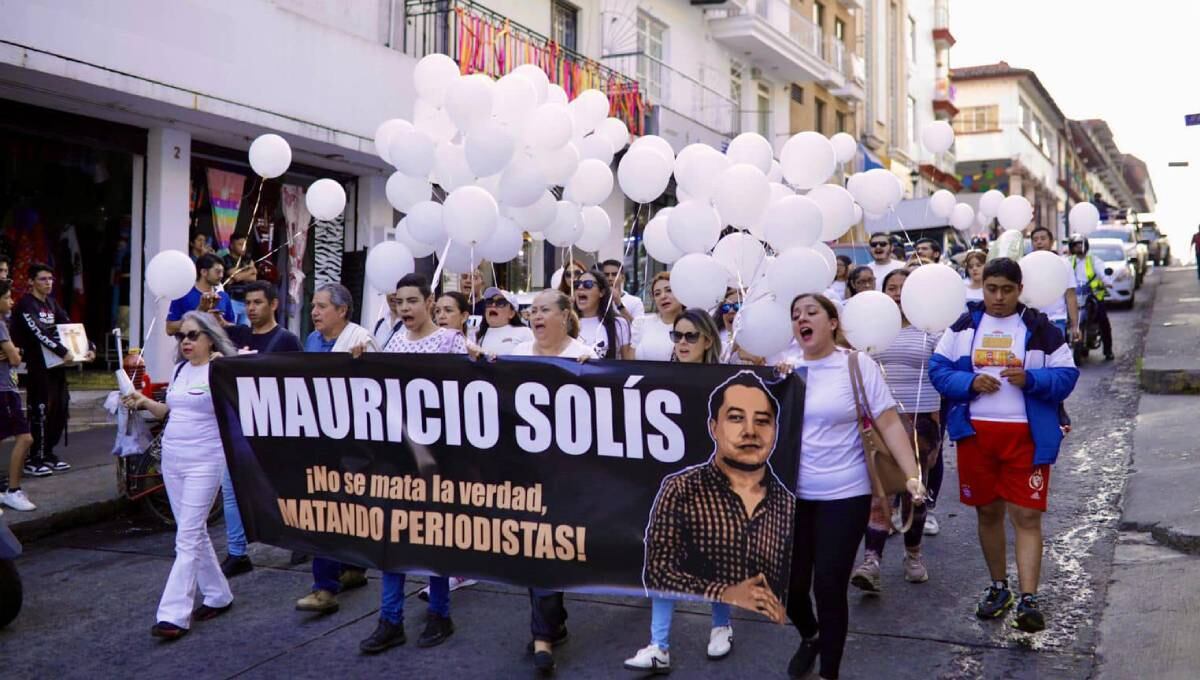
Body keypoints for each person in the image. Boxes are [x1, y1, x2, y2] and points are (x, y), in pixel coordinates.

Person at [929, 257, 1079, 633]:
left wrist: (1031, 379)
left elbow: (1066, 375)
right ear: (983, 287)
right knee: (987, 513)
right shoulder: (963, 325)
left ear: (1019, 289)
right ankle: (1000, 588)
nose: (998, 297)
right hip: (976, 437)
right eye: (991, 289)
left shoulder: (1040, 328)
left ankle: (1029, 599)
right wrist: (969, 384)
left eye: (1007, 290)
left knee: (1027, 516)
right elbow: (938, 370)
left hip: (1025, 437)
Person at [782, 293, 924, 680]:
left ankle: (830, 672)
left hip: (845, 494)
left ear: (832, 322)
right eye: (795, 315)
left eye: (811, 312)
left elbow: (889, 423)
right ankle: (811, 636)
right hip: (791, 497)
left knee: (828, 585)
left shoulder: (856, 365)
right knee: (791, 588)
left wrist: (912, 475)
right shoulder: (783, 368)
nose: (802, 320)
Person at [628, 339, 759, 674]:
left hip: (720, 476)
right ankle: (659, 645)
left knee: (718, 550)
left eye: (690, 336)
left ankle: (720, 625)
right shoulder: (660, 375)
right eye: (676, 335)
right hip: (672, 476)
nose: (682, 342)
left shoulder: (726, 378)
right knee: (663, 550)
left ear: (706, 340)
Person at [642, 372, 794, 661]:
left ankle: (721, 627)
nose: (750, 430)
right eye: (736, 418)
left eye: (762, 420)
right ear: (714, 426)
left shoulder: (785, 504)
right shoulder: (682, 489)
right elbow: (658, 568)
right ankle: (658, 644)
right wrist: (728, 592)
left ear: (775, 429)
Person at [360, 273, 467, 655]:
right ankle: (390, 620)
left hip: (435, 458)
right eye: (399, 302)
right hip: (397, 455)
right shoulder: (394, 340)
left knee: (432, 535)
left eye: (411, 301)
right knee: (392, 538)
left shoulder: (451, 341)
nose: (404, 308)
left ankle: (440, 613)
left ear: (429, 302)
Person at [122, 311, 237, 640]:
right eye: (181, 336)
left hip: (206, 459)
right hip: (172, 458)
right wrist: (143, 401)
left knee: (186, 536)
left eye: (193, 335)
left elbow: (247, 389)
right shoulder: (181, 369)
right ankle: (218, 595)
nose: (185, 341)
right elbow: (169, 412)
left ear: (210, 338)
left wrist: (227, 367)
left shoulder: (221, 370)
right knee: (193, 531)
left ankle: (173, 615)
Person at [507, 289, 589, 674]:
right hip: (524, 472)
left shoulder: (584, 355)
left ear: (563, 315)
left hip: (568, 475)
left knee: (551, 548)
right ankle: (548, 628)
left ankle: (544, 634)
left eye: (543, 310)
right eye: (531, 311)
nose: (535, 316)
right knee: (534, 549)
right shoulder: (518, 353)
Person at [850, 269, 941, 593]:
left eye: (905, 288)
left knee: (914, 492)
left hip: (922, 420)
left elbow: (944, 371)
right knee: (880, 491)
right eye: (892, 287)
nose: (899, 293)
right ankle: (871, 561)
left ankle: (913, 555)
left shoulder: (932, 330)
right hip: (881, 419)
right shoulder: (870, 329)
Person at [296, 283, 374, 614]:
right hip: (320, 438)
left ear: (342, 311)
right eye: (313, 306)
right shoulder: (313, 341)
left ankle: (324, 589)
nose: (314, 312)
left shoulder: (361, 341)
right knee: (338, 508)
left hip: (354, 442)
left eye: (322, 306)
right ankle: (353, 568)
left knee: (328, 509)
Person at [219, 281, 301, 576]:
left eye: (258, 302)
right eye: (248, 303)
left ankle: (300, 538)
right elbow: (197, 333)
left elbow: (299, 385)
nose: (251, 308)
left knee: (281, 488)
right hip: (239, 429)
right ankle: (237, 552)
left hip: (273, 429)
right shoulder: (237, 335)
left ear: (273, 305)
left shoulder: (287, 341)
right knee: (231, 491)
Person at [13, 263, 95, 476]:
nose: (48, 283)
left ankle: (48, 453)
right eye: (42, 279)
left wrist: (89, 347)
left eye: (50, 279)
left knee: (59, 408)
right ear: (31, 281)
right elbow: (37, 332)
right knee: (40, 410)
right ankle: (35, 458)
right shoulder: (25, 305)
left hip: (57, 367)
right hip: (38, 366)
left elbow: (69, 327)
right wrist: (61, 350)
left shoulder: (52, 303)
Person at [0, 280, 35, 511]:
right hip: (4, 390)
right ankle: (12, 490)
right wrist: (14, 352)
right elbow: (14, 359)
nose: (12, 301)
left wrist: (14, 351)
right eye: (7, 297)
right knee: (25, 438)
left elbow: (14, 353)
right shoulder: (1, 324)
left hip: (6, 388)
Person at [1067, 234, 1114, 360]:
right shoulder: (1069, 261)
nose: (1078, 247)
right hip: (1074, 296)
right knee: (1060, 319)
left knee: (1103, 320)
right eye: (1075, 245)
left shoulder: (1093, 260)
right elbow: (1061, 272)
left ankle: (1108, 350)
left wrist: (1107, 281)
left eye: (1080, 244)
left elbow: (1102, 271)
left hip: (1092, 296)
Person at [1030, 227, 1080, 344]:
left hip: (1056, 321)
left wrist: (1075, 326)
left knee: (1056, 359)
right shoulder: (1025, 264)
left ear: (1051, 242)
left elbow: (1070, 295)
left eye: (1043, 238)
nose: (1039, 242)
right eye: (1035, 239)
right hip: (1031, 321)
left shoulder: (1063, 264)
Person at [166, 254, 235, 336]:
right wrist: (199, 313)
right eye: (217, 272)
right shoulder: (183, 294)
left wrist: (222, 322)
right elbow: (169, 329)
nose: (221, 276)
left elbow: (234, 327)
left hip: (218, 347)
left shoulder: (223, 296)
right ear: (203, 272)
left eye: (222, 272)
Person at [574, 268, 633, 359]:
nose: (580, 287)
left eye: (588, 284)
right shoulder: (566, 324)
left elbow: (628, 364)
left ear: (601, 292)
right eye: (577, 284)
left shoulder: (619, 324)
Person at [631, 271, 681, 361]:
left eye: (669, 290)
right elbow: (630, 360)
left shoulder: (693, 325)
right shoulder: (641, 323)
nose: (663, 296)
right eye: (657, 294)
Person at [476, 287, 532, 356]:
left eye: (500, 303)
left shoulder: (525, 332)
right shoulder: (479, 335)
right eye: (489, 302)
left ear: (511, 313)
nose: (493, 305)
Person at [220, 234, 257, 326]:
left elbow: (254, 278)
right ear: (232, 246)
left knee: (245, 329)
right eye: (240, 244)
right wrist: (251, 270)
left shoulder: (247, 260)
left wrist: (240, 274)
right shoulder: (225, 259)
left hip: (246, 300)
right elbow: (236, 277)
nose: (243, 247)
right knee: (231, 327)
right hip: (232, 299)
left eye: (245, 244)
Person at [600, 259, 645, 323]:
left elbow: (639, 328)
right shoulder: (597, 300)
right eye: (606, 275)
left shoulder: (635, 302)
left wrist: (619, 304)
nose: (610, 278)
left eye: (614, 274)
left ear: (623, 278)